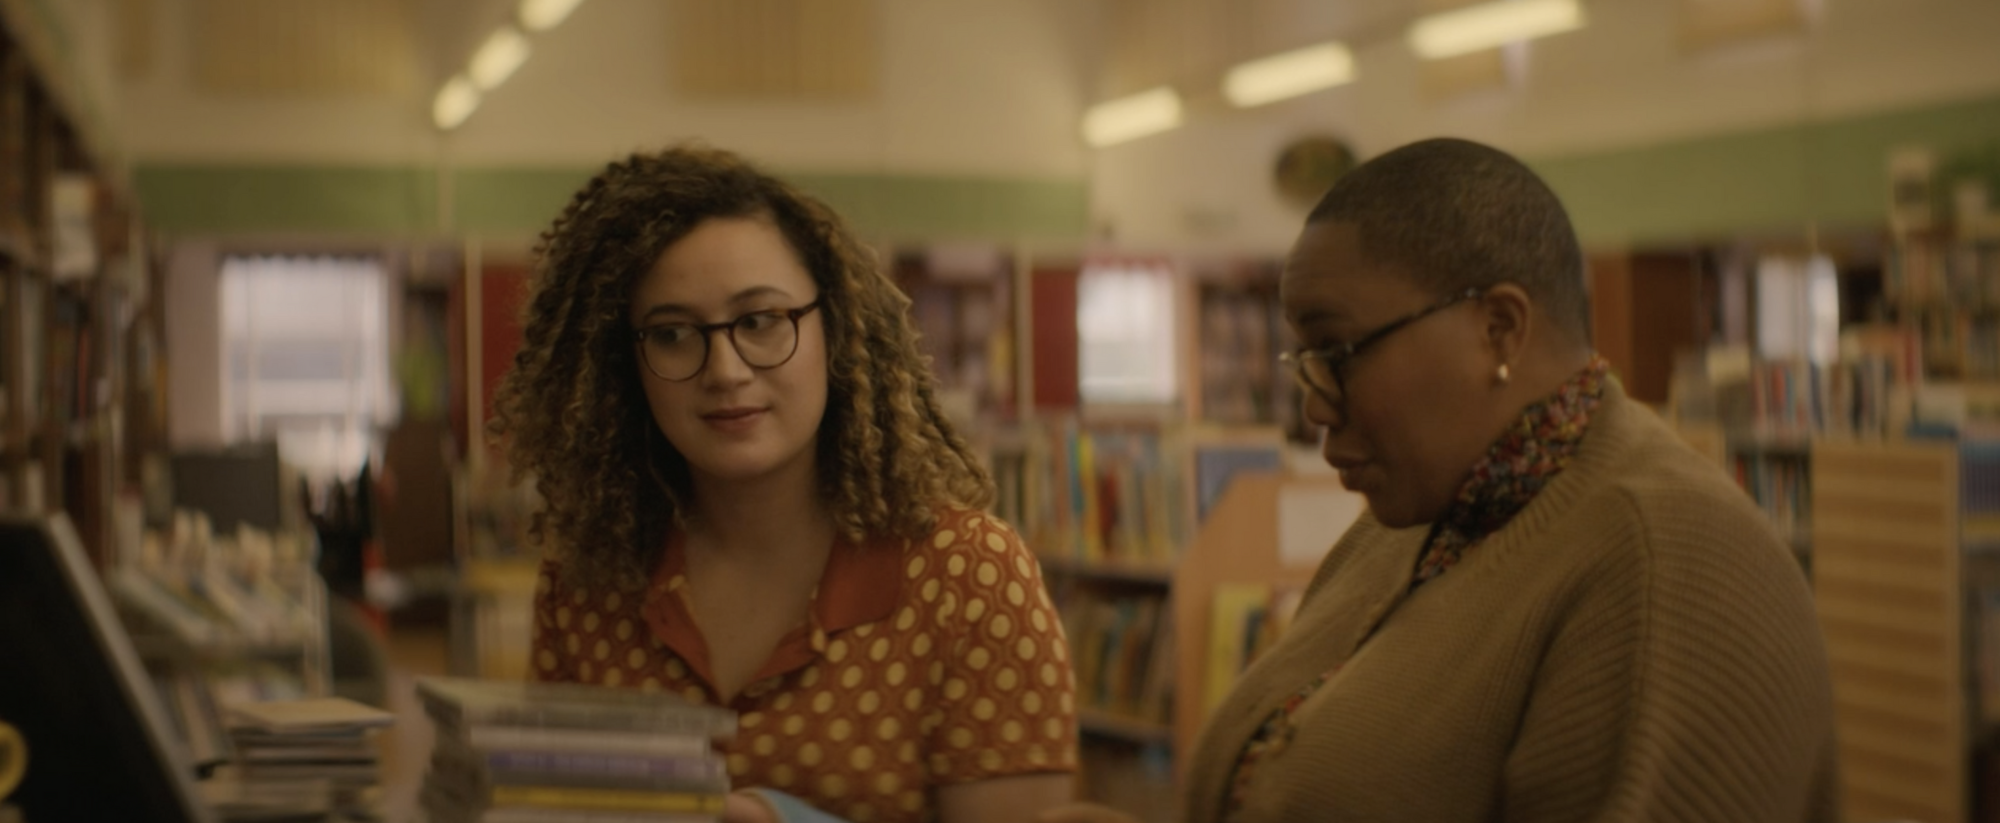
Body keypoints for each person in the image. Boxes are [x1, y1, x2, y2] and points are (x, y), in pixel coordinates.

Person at [1045, 138, 1838, 823]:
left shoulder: (1672, 565)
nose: (1314, 404)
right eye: (1304, 360)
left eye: (1338, 352)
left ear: (1499, 328)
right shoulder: (1426, 522)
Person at [489, 145, 1078, 823]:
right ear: (627, 365)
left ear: (836, 328)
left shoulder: (968, 577)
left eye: (760, 321)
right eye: (674, 333)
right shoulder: (587, 581)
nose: (725, 369)